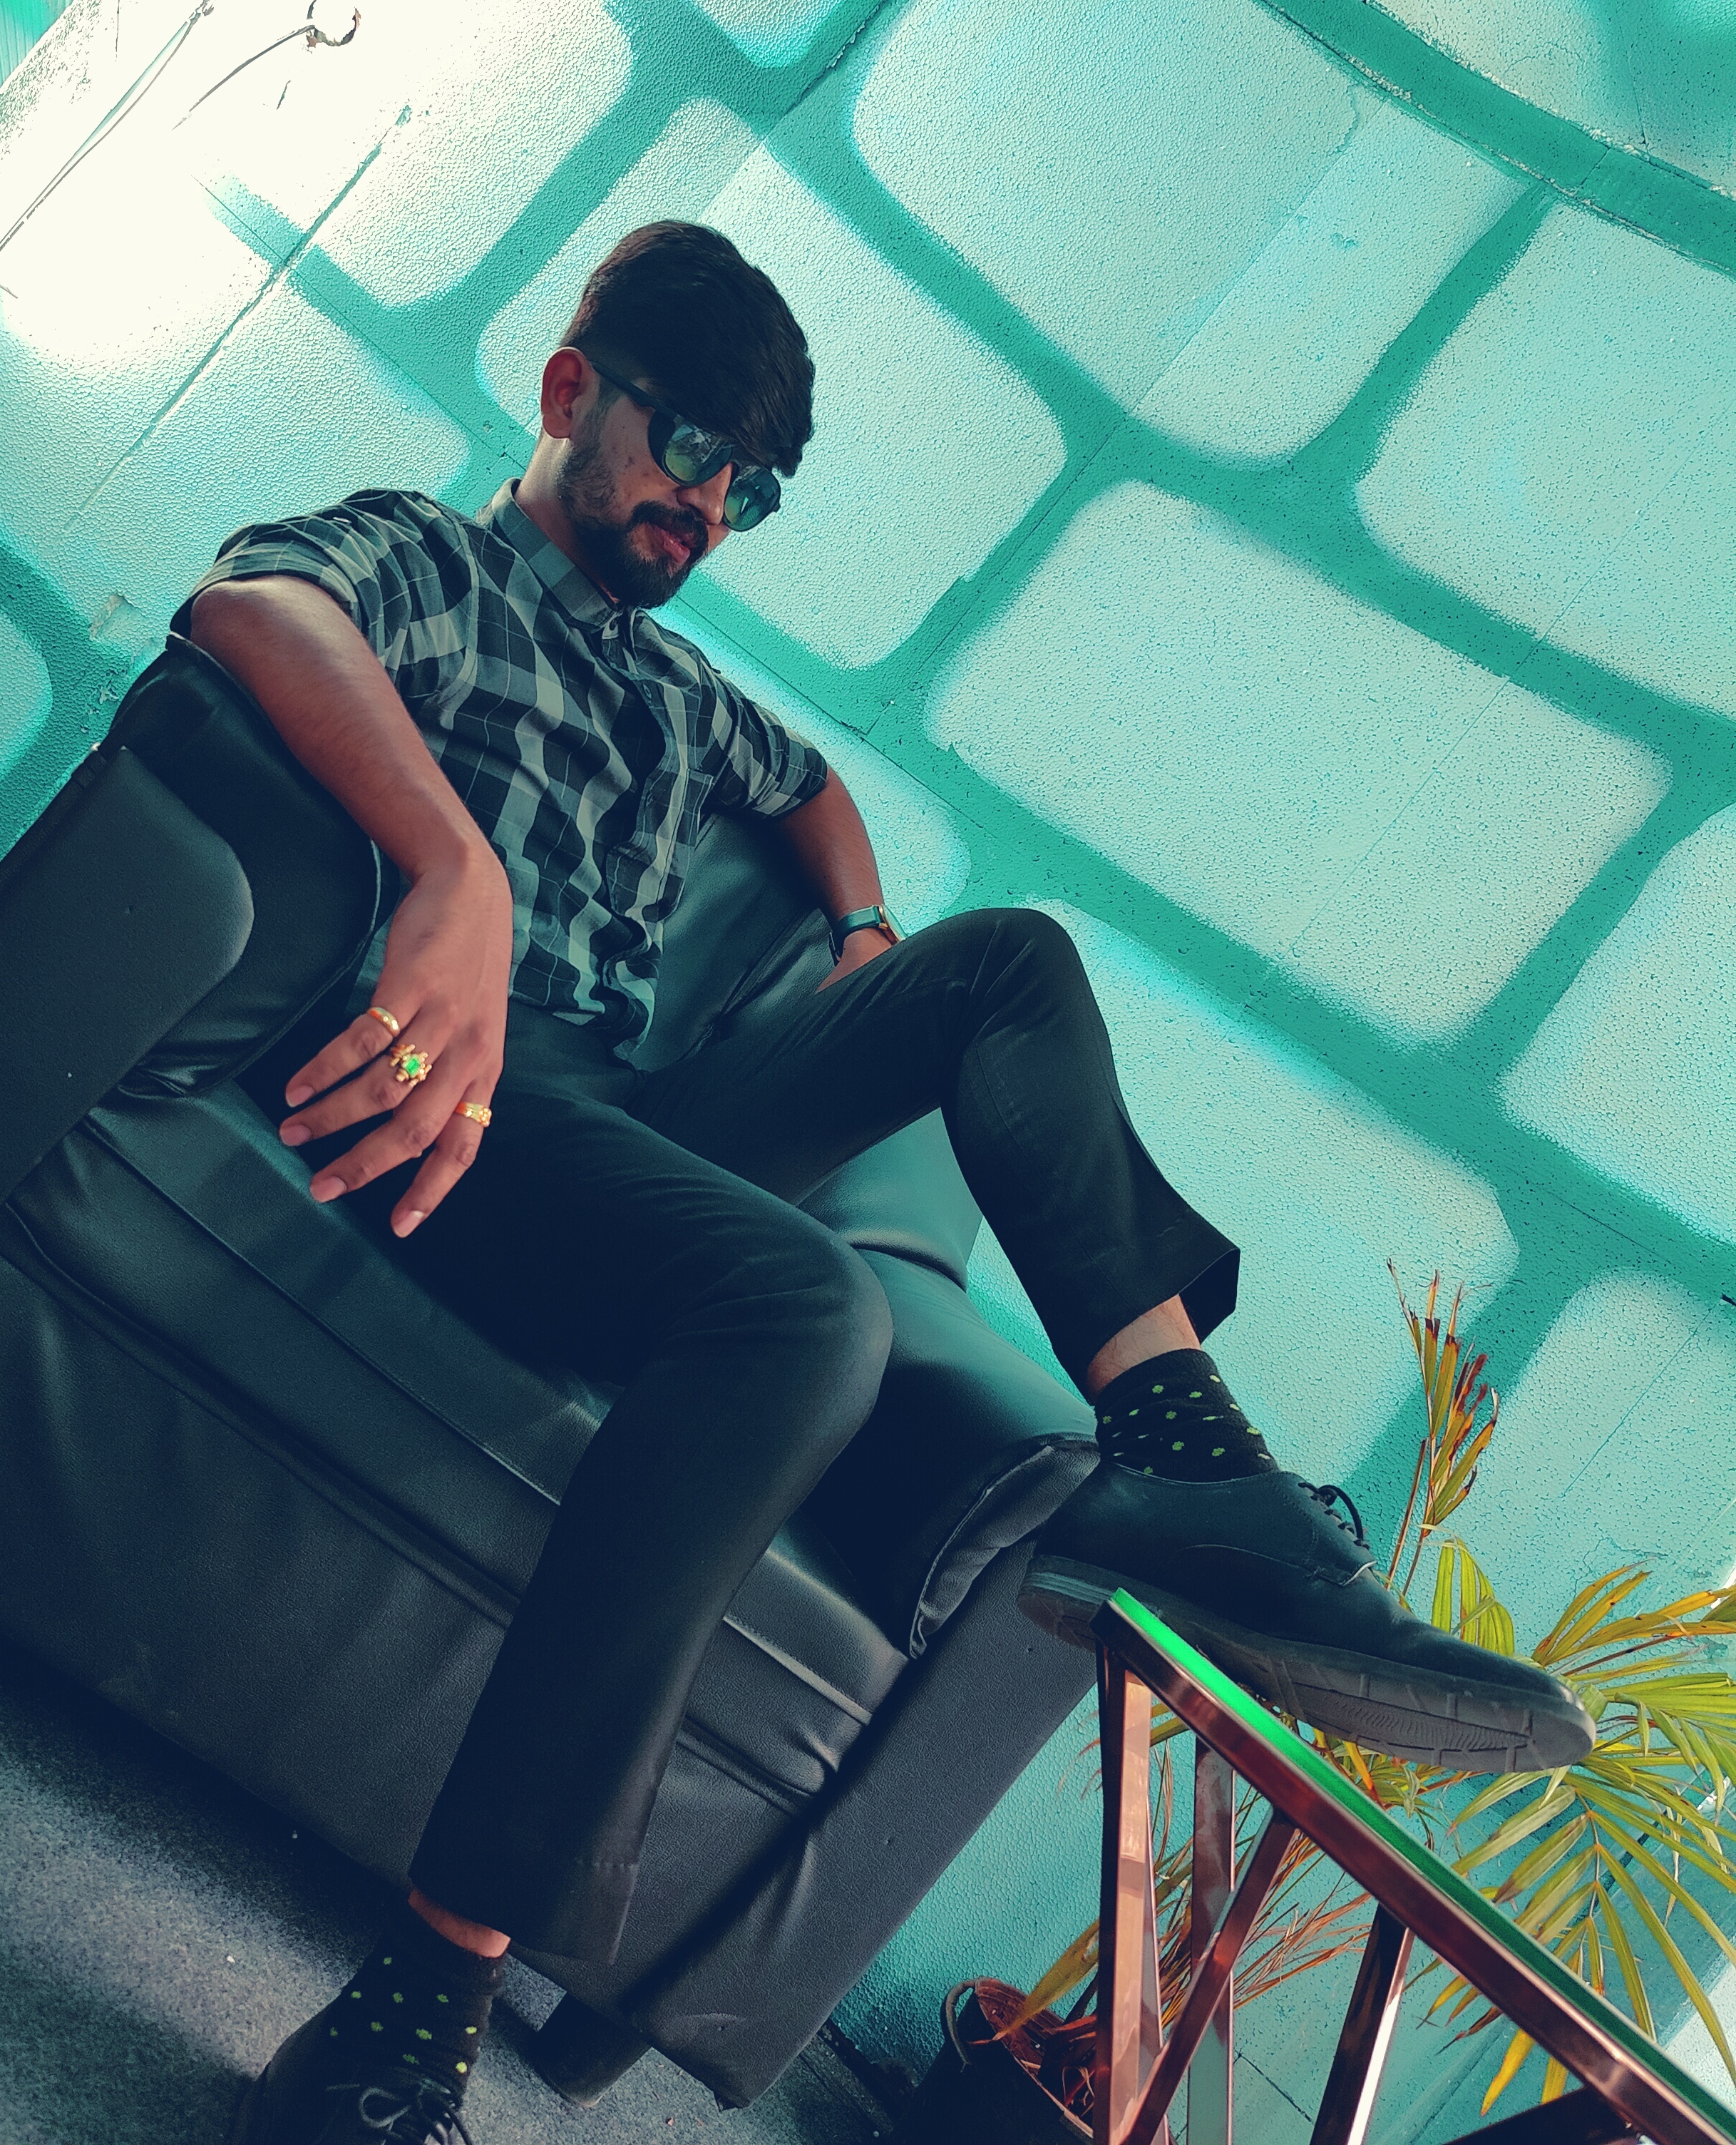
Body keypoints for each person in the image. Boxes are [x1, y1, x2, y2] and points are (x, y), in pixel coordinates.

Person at [184, 223, 1588, 2145]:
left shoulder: (679, 698)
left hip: (630, 1122)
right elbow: (254, 605)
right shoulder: (436, 568)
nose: (707, 507)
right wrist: (456, 869)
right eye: (689, 447)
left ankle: (1189, 1467)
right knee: (805, 1309)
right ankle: (417, 2009)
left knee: (1003, 962)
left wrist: (858, 938)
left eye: (751, 488)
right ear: (573, 394)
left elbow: (813, 790)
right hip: (458, 1100)